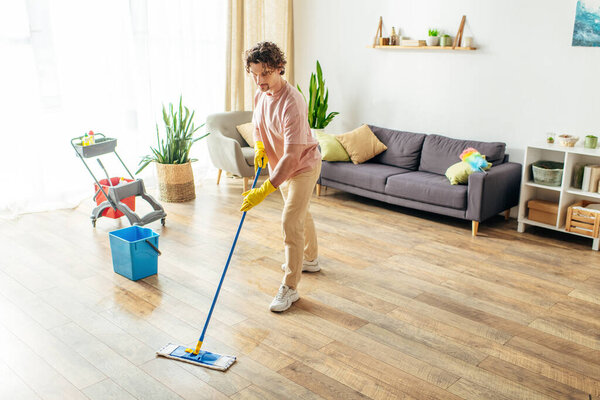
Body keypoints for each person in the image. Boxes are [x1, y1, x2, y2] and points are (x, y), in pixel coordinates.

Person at [240, 41, 322, 312]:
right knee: (299, 213)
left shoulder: (293, 102)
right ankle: (309, 258)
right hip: (281, 166)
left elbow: (292, 157)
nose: (259, 81)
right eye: (254, 74)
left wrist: (265, 189)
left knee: (289, 219)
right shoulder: (260, 94)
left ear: (278, 68)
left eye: (264, 74)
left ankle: (290, 286)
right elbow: (257, 124)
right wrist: (261, 146)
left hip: (302, 166)